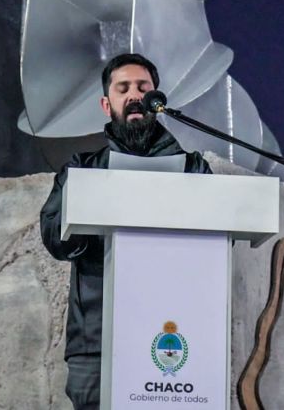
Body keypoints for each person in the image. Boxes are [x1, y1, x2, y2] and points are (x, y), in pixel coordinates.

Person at [39, 53, 212, 410]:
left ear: (158, 100)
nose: (134, 95)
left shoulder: (194, 169)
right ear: (107, 104)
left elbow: (217, 243)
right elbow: (54, 237)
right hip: (96, 342)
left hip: (174, 339)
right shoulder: (83, 170)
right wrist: (90, 206)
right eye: (123, 89)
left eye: (143, 88)